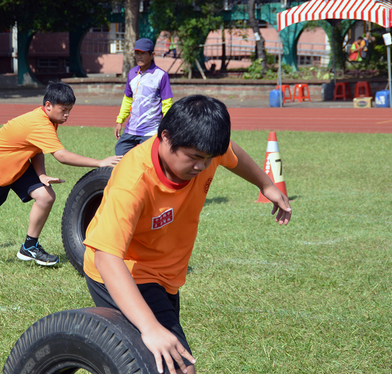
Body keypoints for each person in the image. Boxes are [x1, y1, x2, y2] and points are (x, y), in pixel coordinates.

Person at [83, 95, 292, 374]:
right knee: (179, 367)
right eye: (194, 158)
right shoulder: (133, 181)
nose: (202, 167)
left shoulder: (205, 149)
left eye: (208, 159)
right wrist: (150, 328)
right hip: (129, 273)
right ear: (166, 137)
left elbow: (232, 154)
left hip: (166, 274)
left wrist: (266, 185)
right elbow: (106, 257)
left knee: (156, 360)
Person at [0, 81, 121, 268]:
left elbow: (36, 149)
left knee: (45, 196)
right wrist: (99, 162)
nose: (67, 114)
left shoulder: (49, 120)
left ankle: (29, 246)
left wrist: (41, 174)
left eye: (69, 110)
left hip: (17, 166)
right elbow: (61, 156)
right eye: (64, 110)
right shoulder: (40, 123)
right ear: (48, 106)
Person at [114, 38, 173, 156]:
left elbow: (167, 103)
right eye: (137, 53)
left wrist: (167, 125)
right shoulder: (132, 73)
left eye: (143, 53)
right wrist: (120, 121)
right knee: (120, 155)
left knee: (147, 161)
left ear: (152, 55)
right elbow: (127, 99)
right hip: (131, 129)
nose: (139, 57)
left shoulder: (161, 75)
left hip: (150, 131)